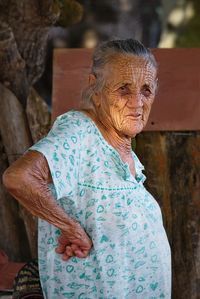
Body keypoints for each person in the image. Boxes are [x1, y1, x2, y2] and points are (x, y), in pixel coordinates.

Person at [3, 39, 171, 299]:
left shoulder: (126, 154)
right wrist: (70, 228)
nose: (137, 102)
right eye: (124, 89)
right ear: (96, 88)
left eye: (146, 90)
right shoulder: (81, 130)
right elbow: (20, 177)